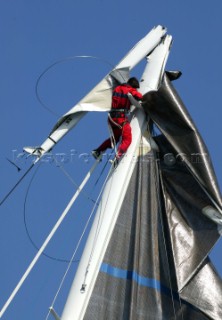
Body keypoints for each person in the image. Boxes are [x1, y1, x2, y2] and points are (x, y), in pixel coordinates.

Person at [92, 77, 143, 167]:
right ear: (134, 86)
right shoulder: (129, 89)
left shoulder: (117, 88)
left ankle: (98, 151)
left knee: (115, 138)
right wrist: (144, 99)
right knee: (127, 139)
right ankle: (117, 157)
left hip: (111, 118)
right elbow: (138, 96)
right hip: (120, 119)